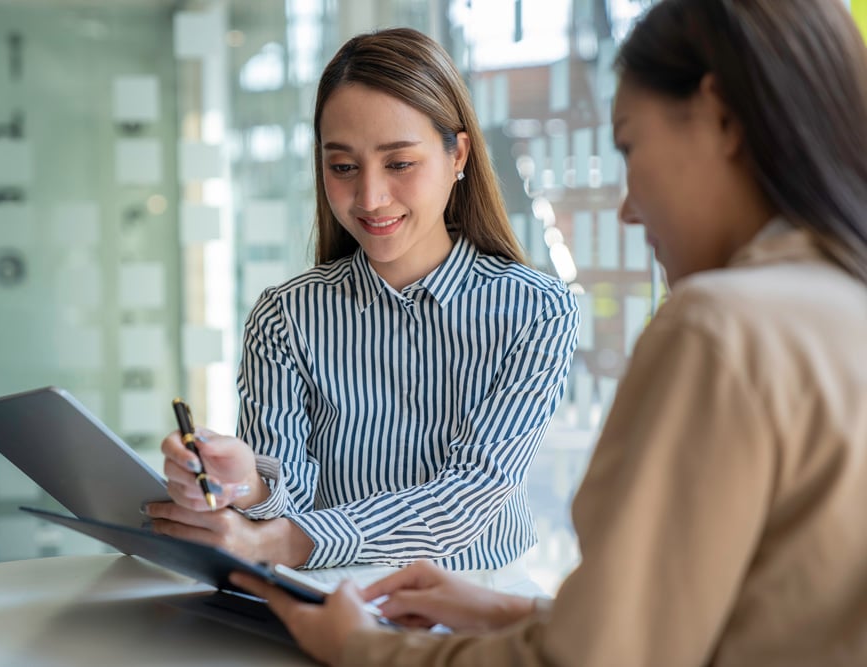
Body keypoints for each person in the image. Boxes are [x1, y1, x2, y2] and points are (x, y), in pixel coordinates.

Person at [229, 0, 867, 664]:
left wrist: (363, 649)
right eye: (343, 166)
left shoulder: (718, 329)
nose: (625, 204)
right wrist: (514, 611)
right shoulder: (843, 299)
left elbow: (593, 656)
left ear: (721, 120)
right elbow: (720, 615)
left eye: (628, 146)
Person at [145, 27, 579, 589]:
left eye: (399, 164)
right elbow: (288, 493)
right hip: (325, 591)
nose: (370, 198)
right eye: (343, 167)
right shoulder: (286, 317)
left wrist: (284, 542)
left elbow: (466, 502)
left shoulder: (536, 310)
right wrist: (244, 483)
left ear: (459, 155)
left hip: (480, 600)